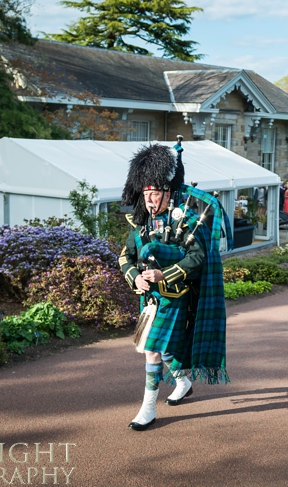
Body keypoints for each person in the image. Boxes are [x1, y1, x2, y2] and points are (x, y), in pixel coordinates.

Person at [119, 141, 230, 432]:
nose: (150, 200)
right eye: (146, 194)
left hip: (175, 296)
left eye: (155, 194)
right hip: (149, 298)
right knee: (160, 348)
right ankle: (182, 380)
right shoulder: (141, 224)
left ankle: (148, 408)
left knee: (151, 349)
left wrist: (162, 275)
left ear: (168, 192)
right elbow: (125, 257)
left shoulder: (186, 221)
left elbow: (197, 258)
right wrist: (136, 277)